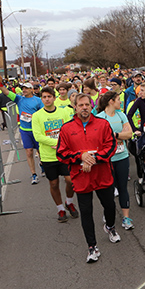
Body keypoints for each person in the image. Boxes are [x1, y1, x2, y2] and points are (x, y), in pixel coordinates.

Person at [56, 93, 120, 263]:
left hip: (103, 174)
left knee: (109, 206)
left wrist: (93, 159)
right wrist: (80, 157)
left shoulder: (103, 124)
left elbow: (111, 146)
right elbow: (61, 153)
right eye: (80, 105)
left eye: (87, 104)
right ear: (75, 107)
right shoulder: (66, 128)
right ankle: (92, 247)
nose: (84, 108)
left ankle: (110, 227)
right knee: (86, 212)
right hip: (81, 177)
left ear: (91, 106)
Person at [31, 86, 79, 223]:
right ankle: (60, 209)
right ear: (41, 99)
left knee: (71, 180)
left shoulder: (63, 113)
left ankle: (69, 202)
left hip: (64, 154)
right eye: (44, 97)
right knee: (54, 183)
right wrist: (56, 142)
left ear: (54, 97)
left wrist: (61, 143)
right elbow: (38, 136)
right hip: (48, 156)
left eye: (49, 96)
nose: (47, 99)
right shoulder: (37, 116)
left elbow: (69, 129)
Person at [96, 91, 135, 230]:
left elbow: (129, 134)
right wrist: (119, 136)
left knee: (123, 187)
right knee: (108, 189)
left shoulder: (121, 115)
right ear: (111, 101)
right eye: (119, 100)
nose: (121, 102)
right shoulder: (99, 117)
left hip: (122, 156)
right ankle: (108, 214)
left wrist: (115, 135)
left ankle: (126, 218)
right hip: (107, 159)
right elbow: (99, 139)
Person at [0, 80, 44, 184]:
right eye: (23, 88)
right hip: (24, 130)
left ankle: (42, 165)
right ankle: (33, 174)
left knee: (40, 152)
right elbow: (6, 92)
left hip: (36, 130)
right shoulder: (19, 99)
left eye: (26, 88)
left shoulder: (38, 100)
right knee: (29, 152)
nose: (24, 90)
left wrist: (34, 118)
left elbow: (42, 114)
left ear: (31, 90)